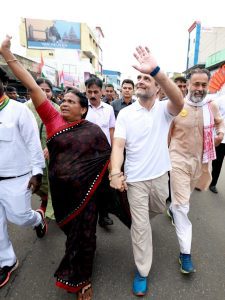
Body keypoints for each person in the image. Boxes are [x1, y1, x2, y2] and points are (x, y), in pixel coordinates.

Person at [0, 35, 111, 300]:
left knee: (82, 236)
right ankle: (83, 252)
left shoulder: (93, 130)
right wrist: (7, 54)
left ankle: (81, 280)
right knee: (73, 233)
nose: (64, 103)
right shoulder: (51, 119)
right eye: (63, 100)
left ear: (83, 109)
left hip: (86, 196)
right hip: (61, 196)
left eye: (71, 101)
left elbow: (103, 159)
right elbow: (31, 85)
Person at [110, 46, 183, 296]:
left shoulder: (165, 110)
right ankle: (142, 271)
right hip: (136, 181)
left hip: (161, 177)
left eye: (146, 78)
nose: (140, 80)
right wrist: (115, 173)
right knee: (141, 227)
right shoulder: (126, 114)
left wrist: (157, 71)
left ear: (158, 87)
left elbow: (179, 101)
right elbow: (118, 145)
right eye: (139, 77)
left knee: (156, 209)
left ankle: (139, 224)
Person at [167, 68, 224, 274]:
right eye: (196, 84)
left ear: (208, 86)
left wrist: (220, 133)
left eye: (203, 85)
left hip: (200, 163)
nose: (199, 88)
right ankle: (185, 254)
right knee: (183, 207)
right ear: (188, 85)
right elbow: (166, 134)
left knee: (183, 201)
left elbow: (220, 124)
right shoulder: (176, 106)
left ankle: (173, 208)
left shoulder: (212, 106)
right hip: (178, 161)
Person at [0, 78, 46, 289]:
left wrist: (37, 172)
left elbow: (33, 143)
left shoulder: (19, 111)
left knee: (19, 217)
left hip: (17, 178)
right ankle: (7, 261)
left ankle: (38, 219)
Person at [26, 77, 60, 219]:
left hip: (51, 153)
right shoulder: (25, 108)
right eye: (41, 90)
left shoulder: (57, 108)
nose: (45, 93)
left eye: (48, 90)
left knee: (52, 180)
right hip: (31, 153)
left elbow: (60, 130)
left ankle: (51, 207)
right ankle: (44, 200)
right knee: (37, 180)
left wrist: (50, 146)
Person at [85, 76, 115, 227]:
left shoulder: (108, 109)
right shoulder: (82, 108)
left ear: (101, 92)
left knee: (104, 188)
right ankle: (89, 217)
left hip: (104, 155)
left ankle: (103, 216)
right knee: (88, 188)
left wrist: (113, 153)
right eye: (89, 91)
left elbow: (111, 130)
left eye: (95, 91)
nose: (92, 95)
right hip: (86, 156)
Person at [209, 94, 225, 193]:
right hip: (219, 137)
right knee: (216, 162)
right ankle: (207, 182)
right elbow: (212, 117)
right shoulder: (219, 100)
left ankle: (213, 183)